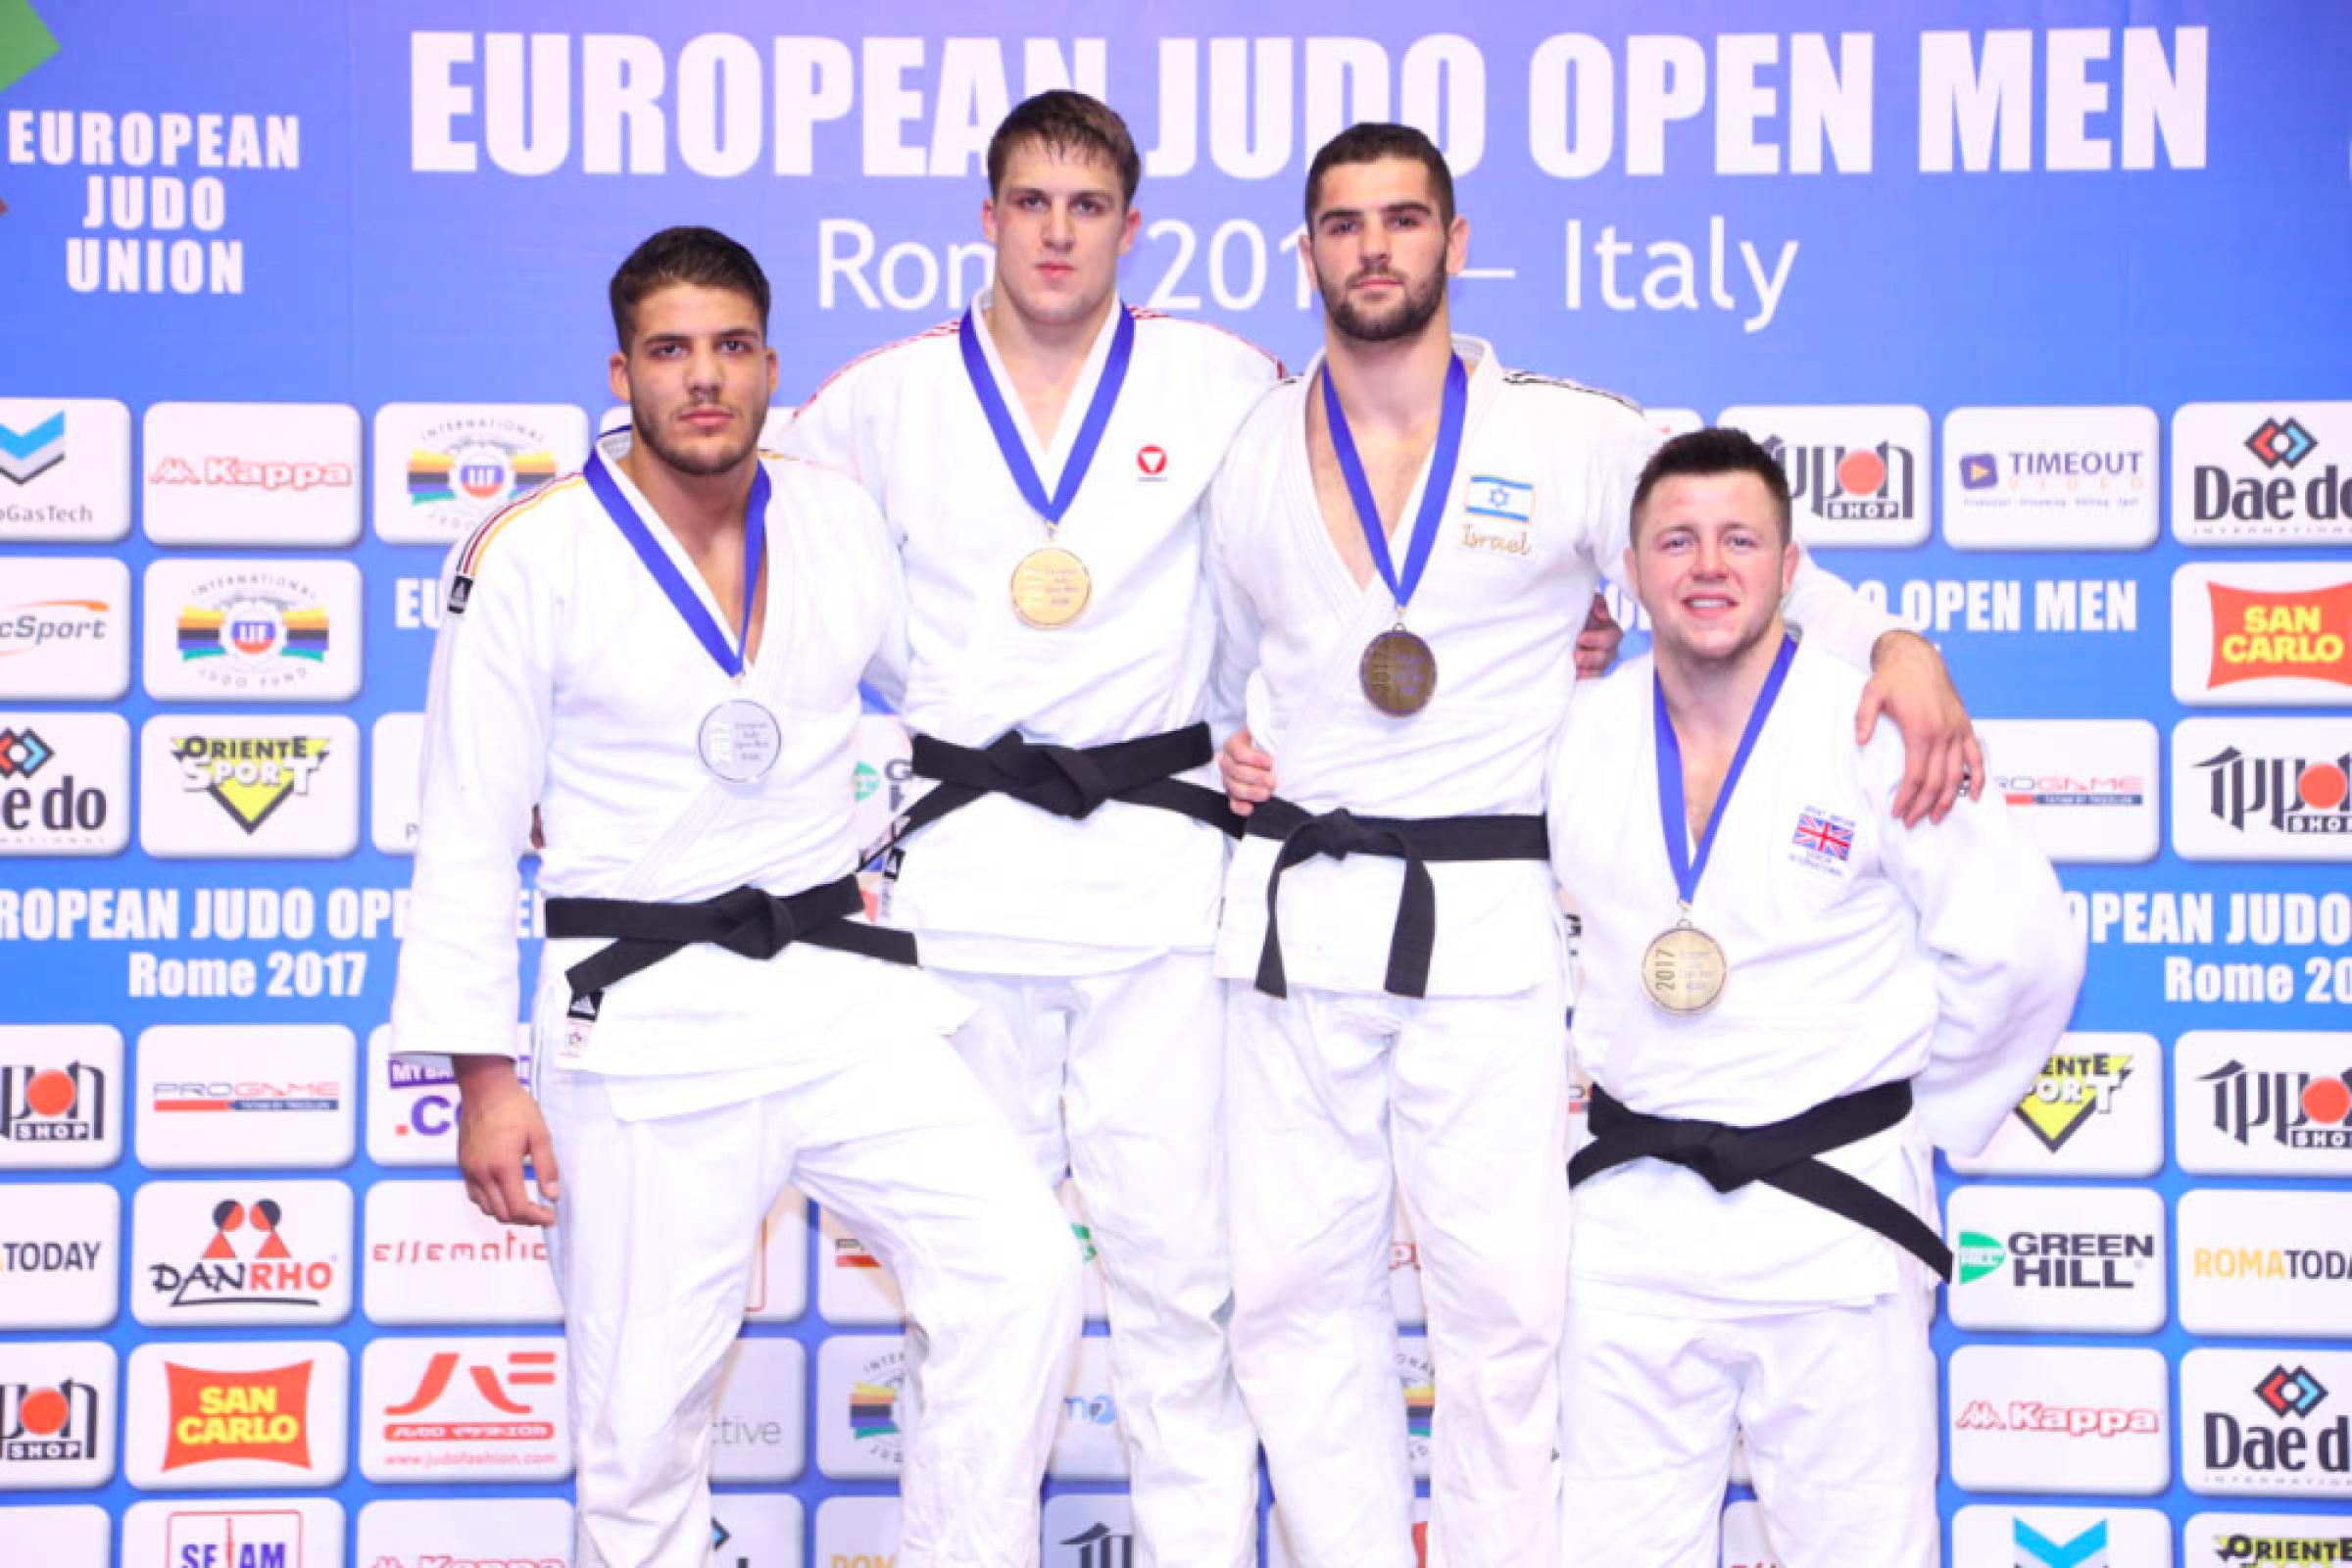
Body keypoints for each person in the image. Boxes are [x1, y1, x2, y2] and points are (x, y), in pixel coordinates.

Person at [1206, 124, 1983, 1568]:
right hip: (1296, 925)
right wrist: (1231, 754)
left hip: (1488, 923)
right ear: (1305, 252)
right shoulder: (1248, 445)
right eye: (1344, 224)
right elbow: (1215, 666)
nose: (1374, 248)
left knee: (1507, 1315)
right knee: (1294, 1303)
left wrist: (1896, 642)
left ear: (1455, 242)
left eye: (1403, 219)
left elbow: (1733, 547)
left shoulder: (1568, 434)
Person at [389, 226, 1079, 1568]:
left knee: (1021, 1266)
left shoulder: (834, 518)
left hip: (832, 996)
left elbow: (963, 688)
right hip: (643, 1023)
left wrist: (1216, 727)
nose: (702, 377)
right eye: (670, 350)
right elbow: (468, 824)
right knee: (641, 1424)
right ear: (622, 373)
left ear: (770, 364)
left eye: (731, 346)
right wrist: (483, 1078)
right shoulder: (531, 551)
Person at [777, 93, 1277, 1568]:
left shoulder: (1222, 381)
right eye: (1032, 203)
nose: (1058, 233)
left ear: (1133, 226)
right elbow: (788, 597)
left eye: (1088, 205)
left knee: (1181, 1292)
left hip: (1157, 886)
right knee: (975, 1292)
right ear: (988, 217)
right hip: (965, 887)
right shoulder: (878, 402)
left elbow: (1310, 562)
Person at [1547, 428, 2082, 1566]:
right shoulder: (1575, 732)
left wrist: (1907, 1116)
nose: (1709, 566)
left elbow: (2022, 951)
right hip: (1631, 1234)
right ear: (1632, 571)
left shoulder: (1877, 732)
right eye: (1677, 541)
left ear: (1790, 568)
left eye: (1740, 540)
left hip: (1833, 1229)